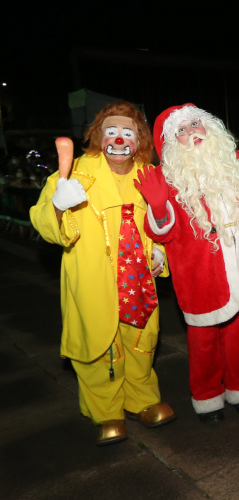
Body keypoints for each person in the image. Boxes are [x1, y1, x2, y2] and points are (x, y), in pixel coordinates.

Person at [30, 101, 175, 445]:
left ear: (139, 139)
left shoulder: (149, 173)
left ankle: (141, 400)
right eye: (112, 131)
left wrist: (160, 250)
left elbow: (163, 222)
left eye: (129, 133)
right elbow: (43, 223)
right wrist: (56, 204)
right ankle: (107, 411)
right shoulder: (74, 173)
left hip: (138, 278)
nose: (120, 140)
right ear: (98, 136)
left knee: (141, 341)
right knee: (99, 346)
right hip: (95, 279)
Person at [137, 104, 239, 424]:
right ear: (171, 141)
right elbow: (162, 232)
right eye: (180, 130)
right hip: (200, 272)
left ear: (209, 126)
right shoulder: (166, 174)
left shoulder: (237, 162)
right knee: (204, 342)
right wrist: (157, 209)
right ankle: (207, 397)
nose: (191, 132)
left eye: (195, 124)